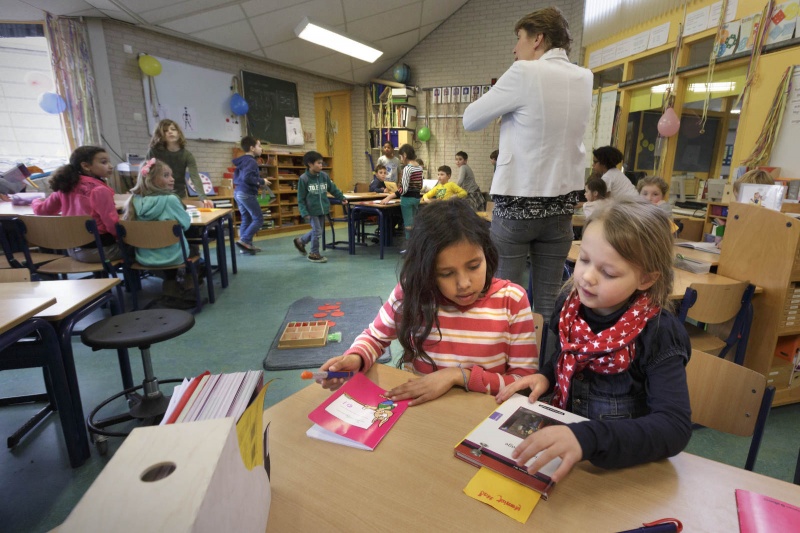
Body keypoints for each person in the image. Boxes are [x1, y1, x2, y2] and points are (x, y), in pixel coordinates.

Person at [495, 199, 692, 483]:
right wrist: (546, 376)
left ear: (646, 279)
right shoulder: (569, 305)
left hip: (619, 471)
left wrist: (586, 438)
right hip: (566, 459)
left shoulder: (659, 333)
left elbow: (674, 428)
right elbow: (565, 355)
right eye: (584, 259)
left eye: (608, 272)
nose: (587, 277)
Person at [317, 199, 538, 405]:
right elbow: (375, 336)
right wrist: (356, 357)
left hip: (481, 416)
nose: (464, 284)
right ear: (427, 271)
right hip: (422, 412)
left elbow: (523, 382)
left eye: (473, 266)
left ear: (486, 255)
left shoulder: (511, 300)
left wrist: (459, 376)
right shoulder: (413, 292)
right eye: (446, 273)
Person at [462, 7, 592, 321]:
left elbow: (470, 120)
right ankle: (544, 365)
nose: (514, 48)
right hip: (561, 207)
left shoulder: (524, 72)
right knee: (548, 303)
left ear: (538, 39)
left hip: (518, 206)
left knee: (506, 300)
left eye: (519, 38)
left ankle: (506, 368)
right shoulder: (584, 77)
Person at [123, 158, 198, 308]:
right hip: (174, 256)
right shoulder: (170, 200)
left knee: (165, 246)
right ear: (151, 179)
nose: (172, 179)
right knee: (193, 248)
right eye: (166, 175)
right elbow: (185, 224)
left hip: (144, 257)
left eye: (171, 175)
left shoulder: (134, 200)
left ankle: (170, 289)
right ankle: (190, 289)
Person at [32, 145, 122, 263]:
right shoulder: (99, 190)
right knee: (142, 246)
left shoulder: (65, 185)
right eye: (104, 162)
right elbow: (111, 224)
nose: (110, 166)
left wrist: (35, 200)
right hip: (101, 251)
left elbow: (42, 211)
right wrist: (125, 238)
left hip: (73, 250)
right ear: (85, 166)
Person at [293, 151, 347, 263]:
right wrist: (304, 212)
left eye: (322, 163)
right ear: (310, 164)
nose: (321, 165)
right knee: (317, 231)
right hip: (311, 211)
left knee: (317, 231)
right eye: (318, 163)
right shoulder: (304, 179)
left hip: (322, 209)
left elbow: (333, 188)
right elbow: (300, 198)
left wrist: (341, 197)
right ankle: (314, 253)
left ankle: (300, 241)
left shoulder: (324, 176)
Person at [146, 119, 213, 208]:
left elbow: (195, 177)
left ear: (178, 133)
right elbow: (147, 175)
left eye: (173, 129)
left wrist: (203, 197)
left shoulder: (187, 155)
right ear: (161, 134)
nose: (170, 132)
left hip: (179, 194)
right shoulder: (154, 152)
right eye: (166, 130)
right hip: (158, 195)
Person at [232, 136, 271, 254]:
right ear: (252, 148)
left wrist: (259, 179)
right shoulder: (251, 161)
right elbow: (247, 177)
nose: (261, 148)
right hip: (246, 193)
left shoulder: (243, 160)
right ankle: (244, 240)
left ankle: (245, 247)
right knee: (258, 219)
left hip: (238, 192)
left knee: (246, 219)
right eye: (259, 146)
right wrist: (261, 181)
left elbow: (242, 177)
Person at [381, 144, 422, 240]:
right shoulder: (419, 168)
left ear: (405, 155)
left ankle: (409, 247)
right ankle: (414, 246)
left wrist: (389, 197)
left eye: (400, 157)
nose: (401, 159)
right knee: (414, 224)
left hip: (407, 199)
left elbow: (403, 189)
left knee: (408, 225)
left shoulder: (407, 168)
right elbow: (420, 185)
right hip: (416, 198)